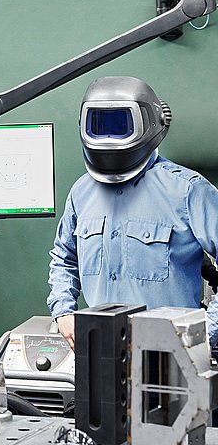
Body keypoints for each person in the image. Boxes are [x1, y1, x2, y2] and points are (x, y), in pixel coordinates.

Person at [47, 76, 218, 350]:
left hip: (171, 357)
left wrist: (204, 335)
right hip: (98, 352)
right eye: (101, 125)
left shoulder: (188, 191)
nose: (109, 136)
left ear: (149, 122)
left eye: (119, 125)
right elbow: (64, 257)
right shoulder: (81, 192)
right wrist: (64, 312)